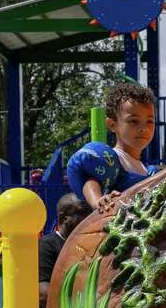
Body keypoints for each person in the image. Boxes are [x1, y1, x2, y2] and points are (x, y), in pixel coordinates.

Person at [66, 82, 158, 213]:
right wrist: (97, 200)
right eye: (133, 121)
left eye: (149, 121)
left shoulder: (149, 171)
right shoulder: (110, 160)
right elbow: (91, 181)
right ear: (112, 124)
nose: (143, 129)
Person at [39, 193, 92, 308]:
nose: (89, 219)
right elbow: (43, 295)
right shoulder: (46, 246)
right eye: (82, 213)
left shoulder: (89, 246)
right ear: (63, 218)